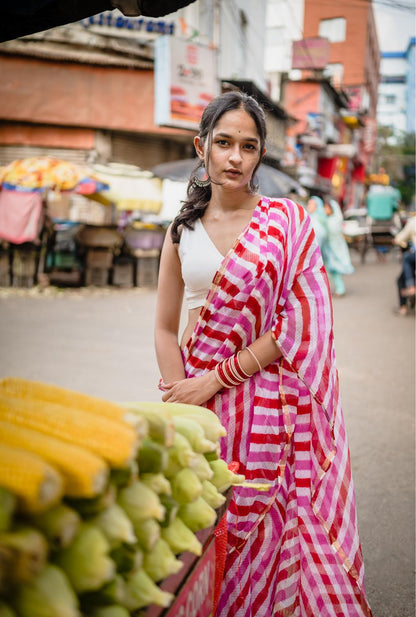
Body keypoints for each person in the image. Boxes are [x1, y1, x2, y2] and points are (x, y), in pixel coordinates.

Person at [154, 90, 372, 617]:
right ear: (201, 146)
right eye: (223, 143)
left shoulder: (287, 222)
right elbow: (164, 327)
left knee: (267, 523)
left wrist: (217, 378)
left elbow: (300, 322)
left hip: (270, 401)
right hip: (195, 403)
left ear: (260, 154)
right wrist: (180, 398)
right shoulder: (181, 231)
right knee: (201, 530)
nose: (234, 157)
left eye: (248, 146)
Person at [322, 197, 355, 297]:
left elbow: (332, 233)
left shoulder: (334, 220)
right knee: (330, 270)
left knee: (334, 270)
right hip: (330, 249)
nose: (325, 210)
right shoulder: (328, 219)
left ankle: (340, 289)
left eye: (327, 208)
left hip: (335, 249)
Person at [393, 212, 416, 315]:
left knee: (406, 259)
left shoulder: (413, 222)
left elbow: (400, 239)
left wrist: (395, 240)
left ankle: (403, 307)